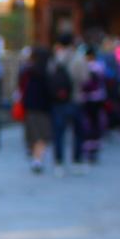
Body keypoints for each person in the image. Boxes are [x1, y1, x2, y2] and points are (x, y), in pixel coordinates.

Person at [50, 33, 87, 175]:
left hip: (58, 101)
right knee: (77, 131)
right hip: (75, 98)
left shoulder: (55, 59)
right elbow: (84, 78)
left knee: (59, 132)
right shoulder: (78, 58)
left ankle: (58, 162)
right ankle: (77, 160)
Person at [21, 47, 54, 173]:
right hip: (43, 108)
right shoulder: (47, 73)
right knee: (41, 135)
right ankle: (38, 159)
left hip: (31, 107)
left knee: (34, 134)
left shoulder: (28, 72)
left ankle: (35, 157)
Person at [80, 45, 108, 164]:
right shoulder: (100, 66)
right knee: (96, 121)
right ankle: (95, 147)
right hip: (99, 97)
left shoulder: (85, 67)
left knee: (87, 122)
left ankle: (88, 147)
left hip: (87, 98)